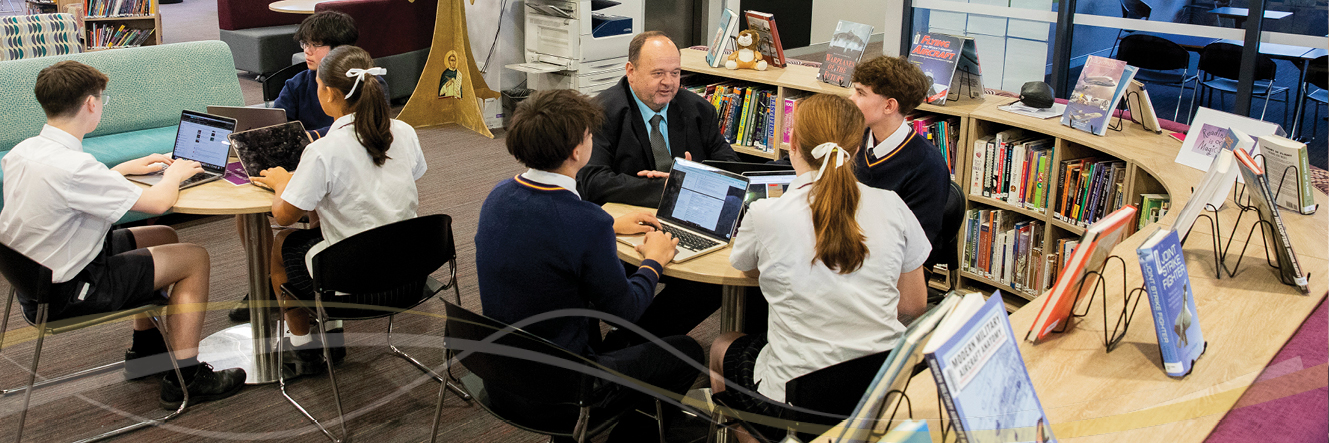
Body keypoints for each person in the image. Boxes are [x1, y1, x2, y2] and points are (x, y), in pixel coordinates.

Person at [0, 60, 246, 409]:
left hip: (38, 274)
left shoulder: (24, 151)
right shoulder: (75, 167)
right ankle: (187, 378)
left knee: (162, 236)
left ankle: (146, 351)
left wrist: (123, 169)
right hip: (69, 291)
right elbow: (159, 202)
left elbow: (76, 189)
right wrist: (174, 174)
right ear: (91, 103)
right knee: (195, 258)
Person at [475, 89, 703, 442]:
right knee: (686, 352)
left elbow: (546, 235)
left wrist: (607, 224)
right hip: (563, 389)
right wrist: (654, 261)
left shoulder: (498, 196)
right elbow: (626, 310)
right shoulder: (584, 222)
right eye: (589, 135)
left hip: (500, 372)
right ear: (577, 151)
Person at [709, 94, 930, 441]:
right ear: (856, 148)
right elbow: (913, 306)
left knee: (722, 346)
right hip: (881, 386)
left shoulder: (767, 215)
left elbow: (747, 268)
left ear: (793, 143)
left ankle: (755, 432)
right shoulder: (892, 205)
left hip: (794, 397)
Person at [251, 46, 427, 375]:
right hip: (411, 274)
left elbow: (284, 216)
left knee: (283, 243)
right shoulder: (404, 131)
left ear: (330, 94)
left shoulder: (323, 150)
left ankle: (301, 347)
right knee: (323, 225)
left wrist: (281, 183)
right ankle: (332, 335)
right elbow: (410, 174)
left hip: (357, 284)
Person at [230, 10, 386, 323]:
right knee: (245, 212)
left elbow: (363, 125)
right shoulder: (298, 82)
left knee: (289, 230)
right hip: (308, 167)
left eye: (316, 45)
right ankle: (264, 281)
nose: (307, 52)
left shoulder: (366, 84)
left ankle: (302, 323)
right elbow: (278, 127)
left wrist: (306, 140)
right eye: (305, 44)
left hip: (329, 172)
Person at [578, 30, 739, 207]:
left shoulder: (699, 110)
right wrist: (663, 188)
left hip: (687, 209)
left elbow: (731, 168)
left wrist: (695, 178)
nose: (668, 82)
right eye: (658, 73)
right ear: (631, 71)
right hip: (628, 215)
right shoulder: (600, 113)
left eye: (675, 73)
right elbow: (592, 181)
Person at [847, 55, 951, 248]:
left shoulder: (928, 165)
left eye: (861, 93)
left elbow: (916, 243)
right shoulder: (852, 137)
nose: (851, 98)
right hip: (845, 245)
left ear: (889, 106)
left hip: (888, 258)